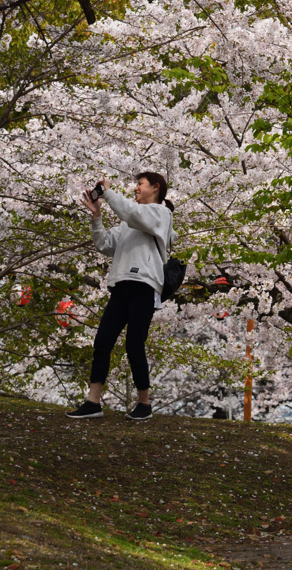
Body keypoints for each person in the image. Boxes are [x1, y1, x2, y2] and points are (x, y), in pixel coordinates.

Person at [66, 172, 176, 421]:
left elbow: (134, 214)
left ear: (155, 188)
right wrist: (96, 215)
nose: (135, 188)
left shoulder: (161, 214)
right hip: (121, 285)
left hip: (144, 286)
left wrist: (108, 193)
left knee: (134, 344)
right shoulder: (129, 222)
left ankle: (144, 403)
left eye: (140, 184)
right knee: (102, 342)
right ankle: (93, 402)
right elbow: (104, 244)